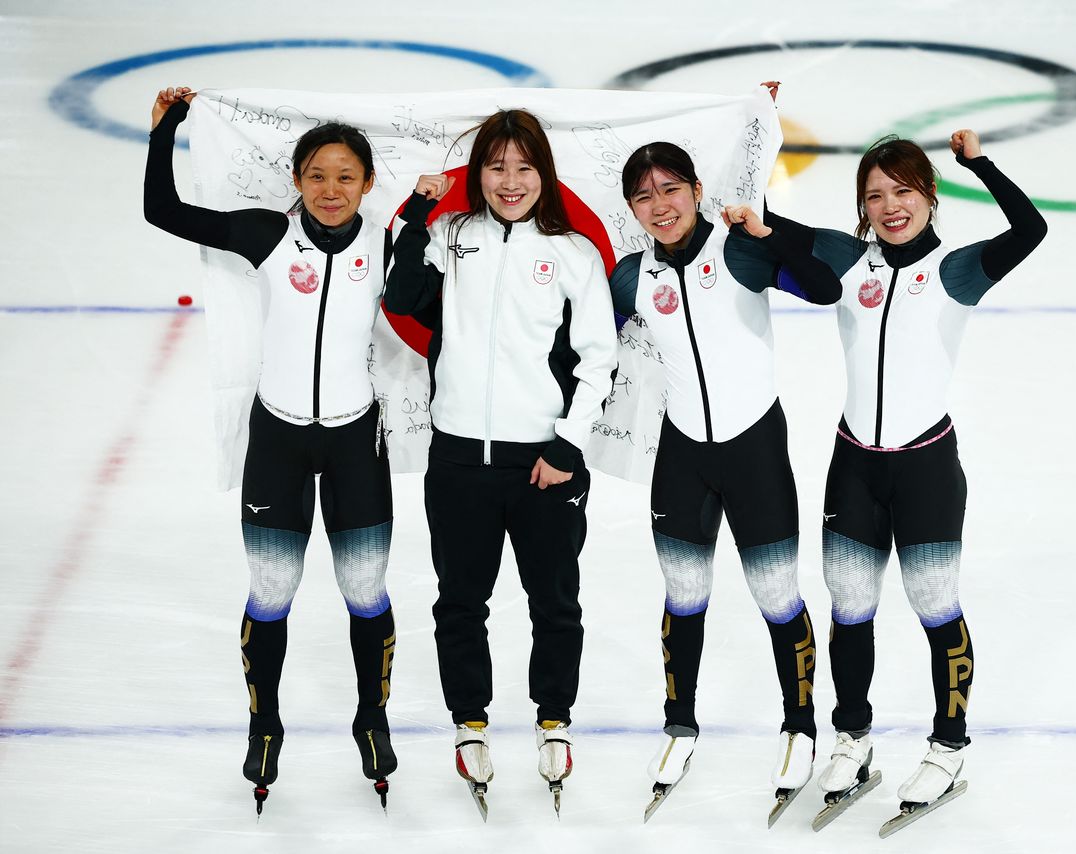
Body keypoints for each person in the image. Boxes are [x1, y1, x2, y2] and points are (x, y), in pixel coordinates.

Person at [144, 87, 405, 811]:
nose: (330, 190)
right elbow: (163, 213)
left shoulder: (389, 243)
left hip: (357, 439)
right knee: (270, 595)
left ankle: (372, 717)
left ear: (367, 184)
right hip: (279, 439)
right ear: (296, 181)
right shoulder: (266, 233)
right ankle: (264, 725)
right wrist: (165, 133)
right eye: (317, 176)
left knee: (365, 592)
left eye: (345, 177)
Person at [786, 129, 1047, 811]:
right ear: (861, 206)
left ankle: (949, 748)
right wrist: (759, 128)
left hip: (926, 469)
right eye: (874, 195)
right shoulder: (847, 261)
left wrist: (978, 164)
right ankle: (852, 739)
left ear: (929, 194)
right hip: (853, 468)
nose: (890, 205)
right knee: (850, 609)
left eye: (903, 190)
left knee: (935, 608)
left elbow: (1031, 228)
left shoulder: (958, 271)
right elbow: (766, 227)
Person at [381, 109, 617, 804]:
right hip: (457, 458)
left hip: (545, 462)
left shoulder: (573, 254)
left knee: (555, 603)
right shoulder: (451, 237)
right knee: (460, 603)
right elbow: (401, 297)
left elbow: (600, 361)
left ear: (544, 173)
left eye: (524, 167)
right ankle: (470, 724)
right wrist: (421, 215)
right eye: (495, 167)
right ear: (476, 173)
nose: (510, 182)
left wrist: (568, 444)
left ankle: (553, 721)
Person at [606, 139, 842, 803]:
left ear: (695, 190)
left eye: (670, 189)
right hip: (682, 456)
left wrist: (774, 234)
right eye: (644, 196)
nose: (660, 206)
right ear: (631, 206)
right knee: (683, 597)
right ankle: (679, 724)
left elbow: (824, 289)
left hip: (754, 450)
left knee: (776, 595)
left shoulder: (738, 250)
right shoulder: (631, 277)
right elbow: (582, 345)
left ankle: (799, 725)